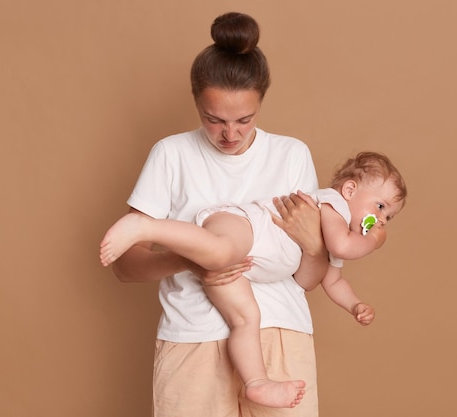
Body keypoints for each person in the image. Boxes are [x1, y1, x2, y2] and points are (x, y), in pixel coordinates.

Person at [107, 11, 329, 417]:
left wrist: (315, 246)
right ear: (196, 103)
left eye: (245, 120)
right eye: (214, 120)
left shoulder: (291, 156)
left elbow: (308, 280)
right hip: (193, 339)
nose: (230, 134)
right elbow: (124, 266)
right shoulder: (171, 154)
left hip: (280, 335)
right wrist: (197, 261)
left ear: (261, 103)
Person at [100, 151, 407, 406]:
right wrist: (374, 240)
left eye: (389, 217)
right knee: (220, 251)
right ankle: (146, 228)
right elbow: (344, 246)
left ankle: (257, 381)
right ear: (350, 191)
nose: (380, 220)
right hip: (244, 226)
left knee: (246, 318)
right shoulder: (334, 206)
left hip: (241, 267)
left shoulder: (341, 234)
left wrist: (355, 306)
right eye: (380, 207)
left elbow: (332, 281)